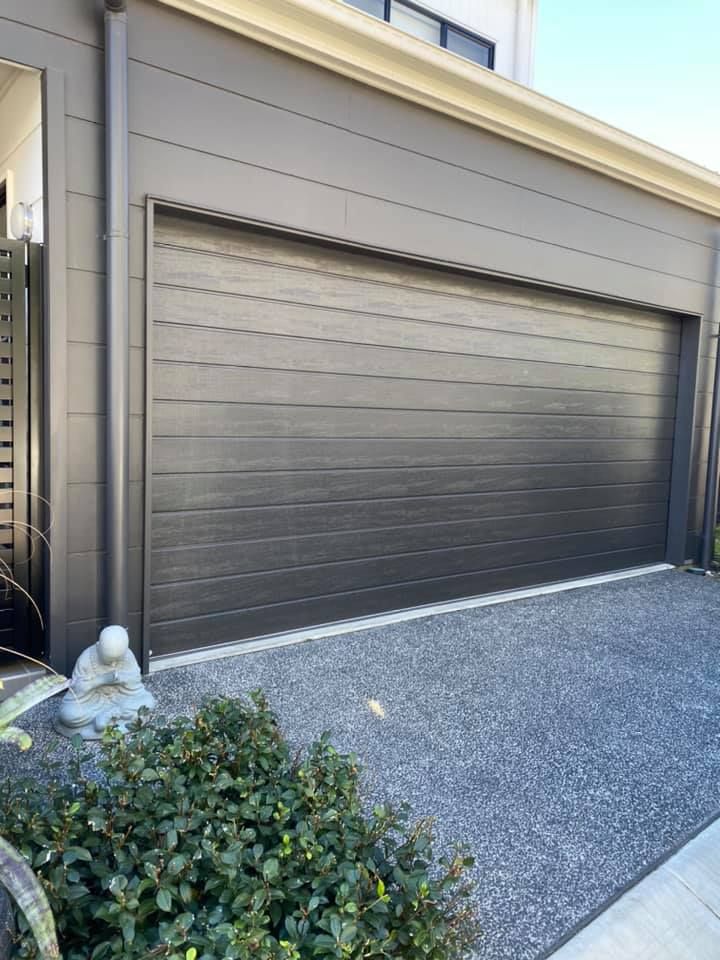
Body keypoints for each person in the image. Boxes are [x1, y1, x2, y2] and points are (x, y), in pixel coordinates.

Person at [54, 625, 155, 739]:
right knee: (67, 715)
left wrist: (121, 678)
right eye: (108, 660)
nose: (113, 664)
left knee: (149, 701)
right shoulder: (86, 658)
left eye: (117, 660)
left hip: (120, 699)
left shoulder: (128, 655)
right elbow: (77, 688)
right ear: (98, 647)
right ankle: (103, 718)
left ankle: (110, 715)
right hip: (93, 702)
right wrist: (103, 679)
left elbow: (136, 681)